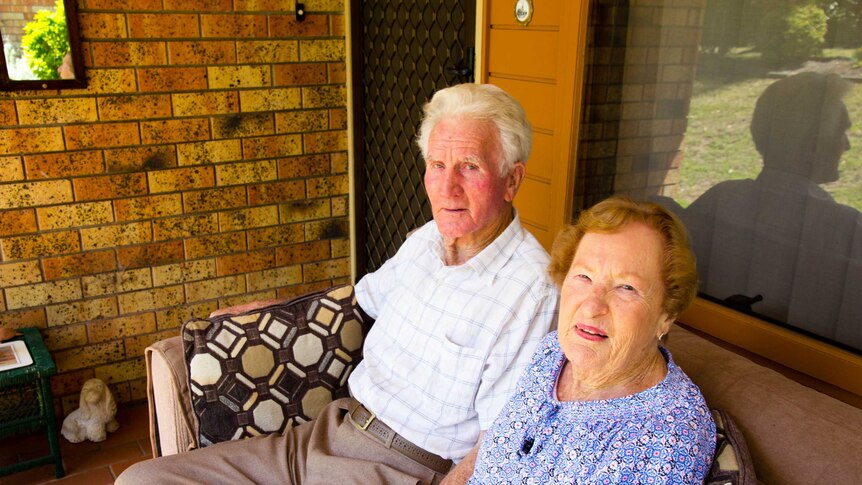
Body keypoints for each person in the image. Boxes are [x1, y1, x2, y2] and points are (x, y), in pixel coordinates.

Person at [117, 83, 559, 484]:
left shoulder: (530, 291)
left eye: (469, 167)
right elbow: (358, 301)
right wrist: (264, 311)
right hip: (324, 435)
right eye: (437, 164)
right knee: (139, 481)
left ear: (512, 180)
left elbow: (501, 439)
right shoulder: (427, 240)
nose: (447, 188)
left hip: (402, 468)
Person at [467, 197, 716, 483]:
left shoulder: (671, 437)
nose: (592, 306)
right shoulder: (553, 351)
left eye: (626, 287)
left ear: (666, 314)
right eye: (583, 276)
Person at [682, 72, 862, 346]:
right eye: (842, 131)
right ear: (812, 146)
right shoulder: (846, 230)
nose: (847, 145)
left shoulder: (721, 198)